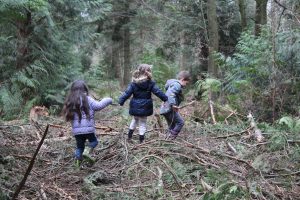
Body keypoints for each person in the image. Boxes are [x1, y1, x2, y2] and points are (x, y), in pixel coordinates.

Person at [62, 80, 112, 167]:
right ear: (84, 89)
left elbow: (67, 115)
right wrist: (108, 100)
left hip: (77, 132)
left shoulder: (70, 101)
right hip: (89, 130)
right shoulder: (87, 99)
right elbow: (99, 106)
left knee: (79, 147)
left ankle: (77, 163)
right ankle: (87, 151)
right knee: (94, 142)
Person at [119, 64, 168, 143]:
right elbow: (158, 92)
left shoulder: (134, 83)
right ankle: (141, 140)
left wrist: (121, 101)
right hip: (146, 106)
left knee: (134, 120)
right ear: (148, 72)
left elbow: (127, 93)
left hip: (135, 105)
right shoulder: (151, 83)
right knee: (142, 123)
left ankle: (129, 137)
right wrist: (165, 99)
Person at [160, 71, 191, 140]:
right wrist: (173, 105)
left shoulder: (173, 84)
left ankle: (167, 140)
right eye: (186, 83)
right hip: (169, 108)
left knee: (172, 126)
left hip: (165, 108)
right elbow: (170, 94)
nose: (186, 85)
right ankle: (171, 138)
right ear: (182, 79)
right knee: (180, 122)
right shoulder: (177, 85)